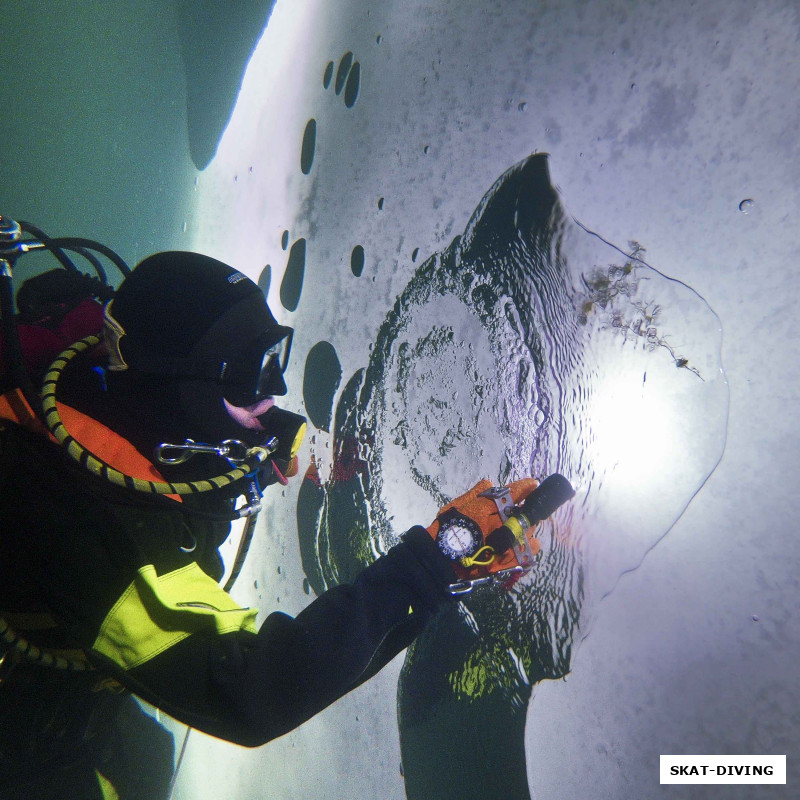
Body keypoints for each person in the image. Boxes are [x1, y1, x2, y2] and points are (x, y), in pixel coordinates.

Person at [0, 250, 549, 799]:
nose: (276, 390)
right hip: (27, 699)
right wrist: (434, 560)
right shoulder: (86, 539)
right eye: (248, 376)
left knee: (144, 755)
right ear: (182, 394)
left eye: (272, 357)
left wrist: (318, 452)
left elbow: (240, 423)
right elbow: (251, 692)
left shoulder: (131, 391)